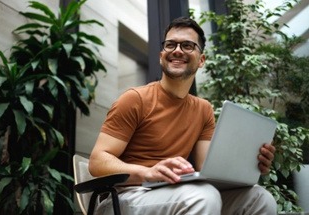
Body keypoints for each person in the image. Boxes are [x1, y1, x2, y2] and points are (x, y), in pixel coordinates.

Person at [89, 16, 277, 215]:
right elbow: (97, 161)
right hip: (124, 197)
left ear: (202, 60)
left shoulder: (203, 109)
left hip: (174, 193)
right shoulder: (135, 99)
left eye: (187, 45)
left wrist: (249, 166)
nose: (177, 50)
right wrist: (148, 172)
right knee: (202, 196)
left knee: (260, 198)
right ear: (162, 55)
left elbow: (208, 170)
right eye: (171, 45)